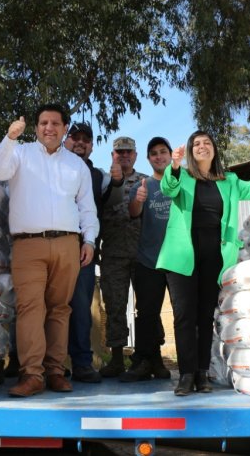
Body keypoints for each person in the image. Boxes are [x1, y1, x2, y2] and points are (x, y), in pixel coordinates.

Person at [157, 130, 250, 396]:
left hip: (214, 256)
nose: (202, 147)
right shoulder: (182, 177)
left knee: (205, 317)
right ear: (190, 152)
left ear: (214, 149)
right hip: (181, 257)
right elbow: (167, 188)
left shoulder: (230, 181)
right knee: (184, 317)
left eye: (207, 143)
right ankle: (186, 375)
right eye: (196, 144)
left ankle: (203, 373)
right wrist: (174, 165)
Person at [0, 103, 98, 397]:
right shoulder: (20, 154)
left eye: (54, 123)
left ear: (65, 129)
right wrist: (10, 137)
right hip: (28, 244)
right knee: (29, 309)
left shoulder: (76, 165)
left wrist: (89, 240)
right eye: (42, 123)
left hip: (67, 244)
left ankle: (55, 372)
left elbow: (87, 207)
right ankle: (32, 375)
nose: (48, 128)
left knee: (60, 309)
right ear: (36, 128)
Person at [63, 123, 123, 383]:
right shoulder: (50, 164)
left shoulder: (99, 176)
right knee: (46, 307)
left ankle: (82, 364)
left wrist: (118, 180)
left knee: (81, 309)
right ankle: (46, 366)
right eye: (74, 137)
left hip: (83, 252)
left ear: (92, 146)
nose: (80, 142)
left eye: (85, 139)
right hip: (49, 247)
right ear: (66, 140)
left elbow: (111, 201)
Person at [119, 136, 173, 382]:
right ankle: (147, 361)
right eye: (154, 153)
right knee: (147, 313)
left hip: (179, 260)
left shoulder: (182, 182)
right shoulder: (144, 184)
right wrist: (138, 200)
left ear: (171, 155)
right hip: (148, 259)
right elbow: (132, 213)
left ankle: (191, 366)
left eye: (163, 152)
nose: (159, 156)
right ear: (149, 159)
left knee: (182, 314)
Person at [98, 136, 148, 377]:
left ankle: (147, 358)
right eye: (120, 153)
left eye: (129, 152)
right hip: (113, 254)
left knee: (146, 307)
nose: (124, 156)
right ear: (112, 156)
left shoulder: (146, 182)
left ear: (135, 156)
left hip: (142, 254)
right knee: (115, 307)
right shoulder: (104, 183)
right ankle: (117, 359)